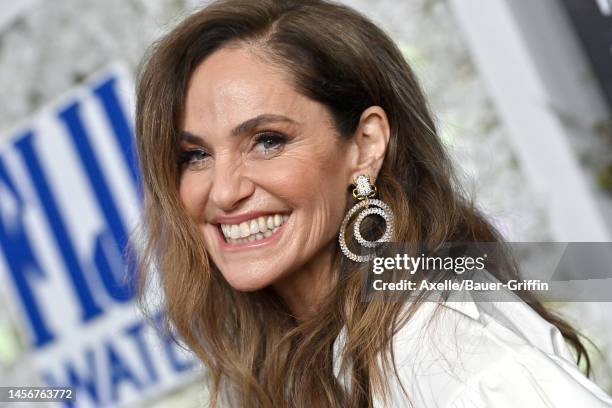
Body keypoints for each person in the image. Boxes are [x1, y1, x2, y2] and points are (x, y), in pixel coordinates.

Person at [134, 0, 612, 406]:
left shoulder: (450, 353)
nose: (222, 191)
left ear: (364, 146)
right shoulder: (319, 358)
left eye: (268, 141)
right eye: (194, 155)